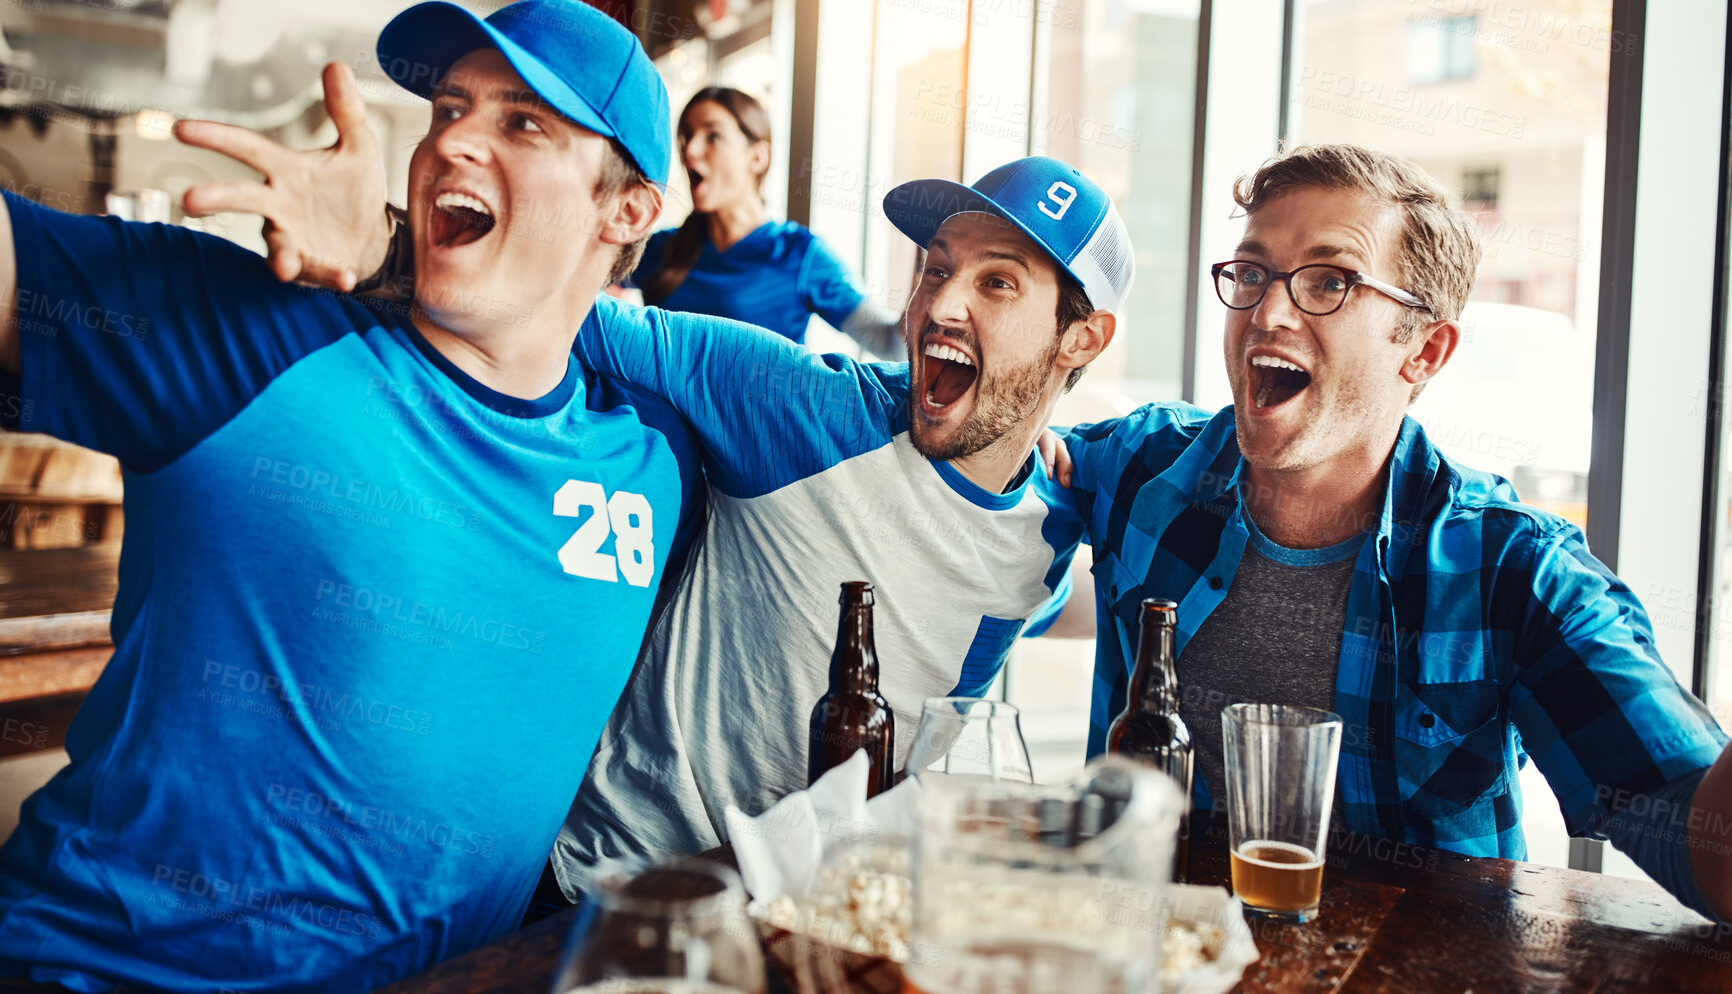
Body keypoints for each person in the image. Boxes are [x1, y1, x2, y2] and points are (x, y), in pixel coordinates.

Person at [181, 133, 1126, 898]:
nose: (938, 304)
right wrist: (382, 244)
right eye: (934, 269)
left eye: (996, 282)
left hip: (811, 910)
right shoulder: (804, 409)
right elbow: (565, 309)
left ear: (1082, 338)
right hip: (610, 887)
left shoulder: (1058, 522)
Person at [0, 0, 707, 992]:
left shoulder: (660, 463)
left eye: (522, 123)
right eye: (448, 109)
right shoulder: (251, 333)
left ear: (625, 212)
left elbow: (862, 415)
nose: (454, 140)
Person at [1061, 143, 1732, 922]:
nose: (1267, 313)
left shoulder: (1513, 571)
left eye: (1328, 282)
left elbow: (1707, 853)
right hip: (1144, 958)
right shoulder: (1142, 467)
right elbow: (965, 438)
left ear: (1424, 350)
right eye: (1251, 274)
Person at [631, 86, 903, 357]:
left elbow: (891, 346)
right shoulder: (659, 247)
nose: (690, 150)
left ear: (758, 157)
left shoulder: (800, 254)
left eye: (713, 136)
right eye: (687, 135)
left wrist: (930, 281)